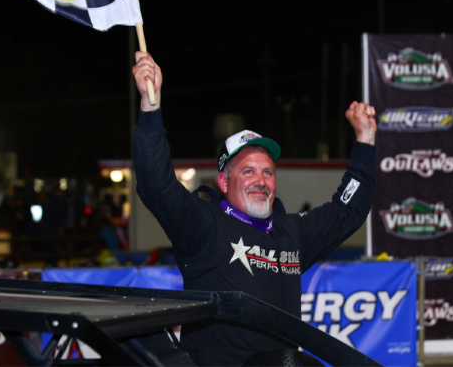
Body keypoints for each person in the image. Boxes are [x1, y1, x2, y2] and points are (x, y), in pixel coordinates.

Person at [131, 52, 377, 366]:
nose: (260, 181)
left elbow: (348, 211)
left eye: (268, 172)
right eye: (247, 171)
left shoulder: (293, 232)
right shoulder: (206, 226)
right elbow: (156, 186)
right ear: (223, 181)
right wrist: (150, 107)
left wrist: (365, 141)